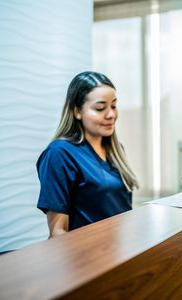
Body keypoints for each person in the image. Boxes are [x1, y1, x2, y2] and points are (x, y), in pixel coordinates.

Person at [37, 71, 138, 238]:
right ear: (77, 111)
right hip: (88, 258)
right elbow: (58, 232)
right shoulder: (59, 153)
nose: (111, 114)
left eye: (113, 105)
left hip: (122, 250)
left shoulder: (117, 149)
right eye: (100, 108)